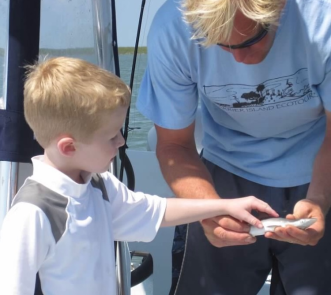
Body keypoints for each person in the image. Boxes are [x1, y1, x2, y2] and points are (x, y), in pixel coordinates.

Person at [0, 57, 278, 295]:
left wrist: (225, 205)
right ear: (69, 147)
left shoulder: (100, 185)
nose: (121, 142)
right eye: (112, 136)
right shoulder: (33, 212)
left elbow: (156, 211)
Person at [137, 0, 331, 294]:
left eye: (249, 40)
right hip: (224, 168)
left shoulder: (323, 18)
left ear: (280, 5)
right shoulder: (173, 28)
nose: (238, 60)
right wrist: (210, 209)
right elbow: (174, 145)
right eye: (221, 45)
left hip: (319, 167)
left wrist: (319, 199)